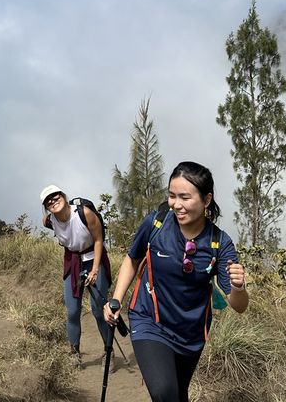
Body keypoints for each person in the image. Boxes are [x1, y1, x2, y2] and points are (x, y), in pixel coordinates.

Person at [103, 161, 248, 402]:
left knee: (177, 394)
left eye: (185, 197)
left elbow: (239, 305)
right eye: (172, 196)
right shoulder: (157, 223)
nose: (176, 205)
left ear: (206, 200)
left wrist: (238, 286)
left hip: (191, 334)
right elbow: (132, 259)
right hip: (149, 319)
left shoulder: (219, 243)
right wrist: (116, 299)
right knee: (164, 392)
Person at [40, 184, 112, 367]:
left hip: (93, 258)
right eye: (48, 201)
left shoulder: (84, 213)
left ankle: (108, 351)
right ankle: (74, 353)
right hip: (72, 261)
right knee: (72, 311)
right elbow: (47, 223)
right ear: (46, 207)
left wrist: (95, 269)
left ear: (63, 196)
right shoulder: (50, 221)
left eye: (55, 197)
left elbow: (98, 239)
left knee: (98, 310)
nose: (53, 201)